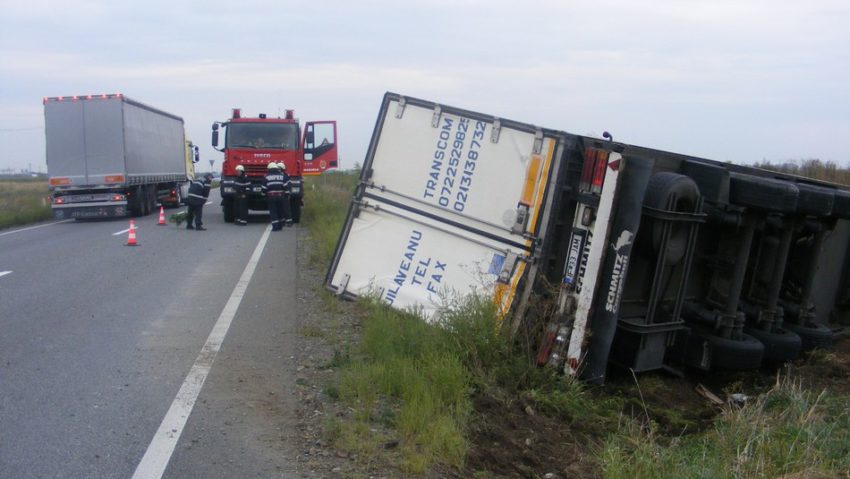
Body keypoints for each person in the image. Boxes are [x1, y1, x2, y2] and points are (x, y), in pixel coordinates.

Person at [262, 162, 292, 231]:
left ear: (269, 169)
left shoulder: (266, 176)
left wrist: (263, 195)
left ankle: (275, 227)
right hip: (281, 196)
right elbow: (286, 187)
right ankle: (281, 226)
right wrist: (287, 194)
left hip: (271, 197)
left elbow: (264, 188)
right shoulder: (282, 176)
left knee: (273, 212)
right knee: (280, 211)